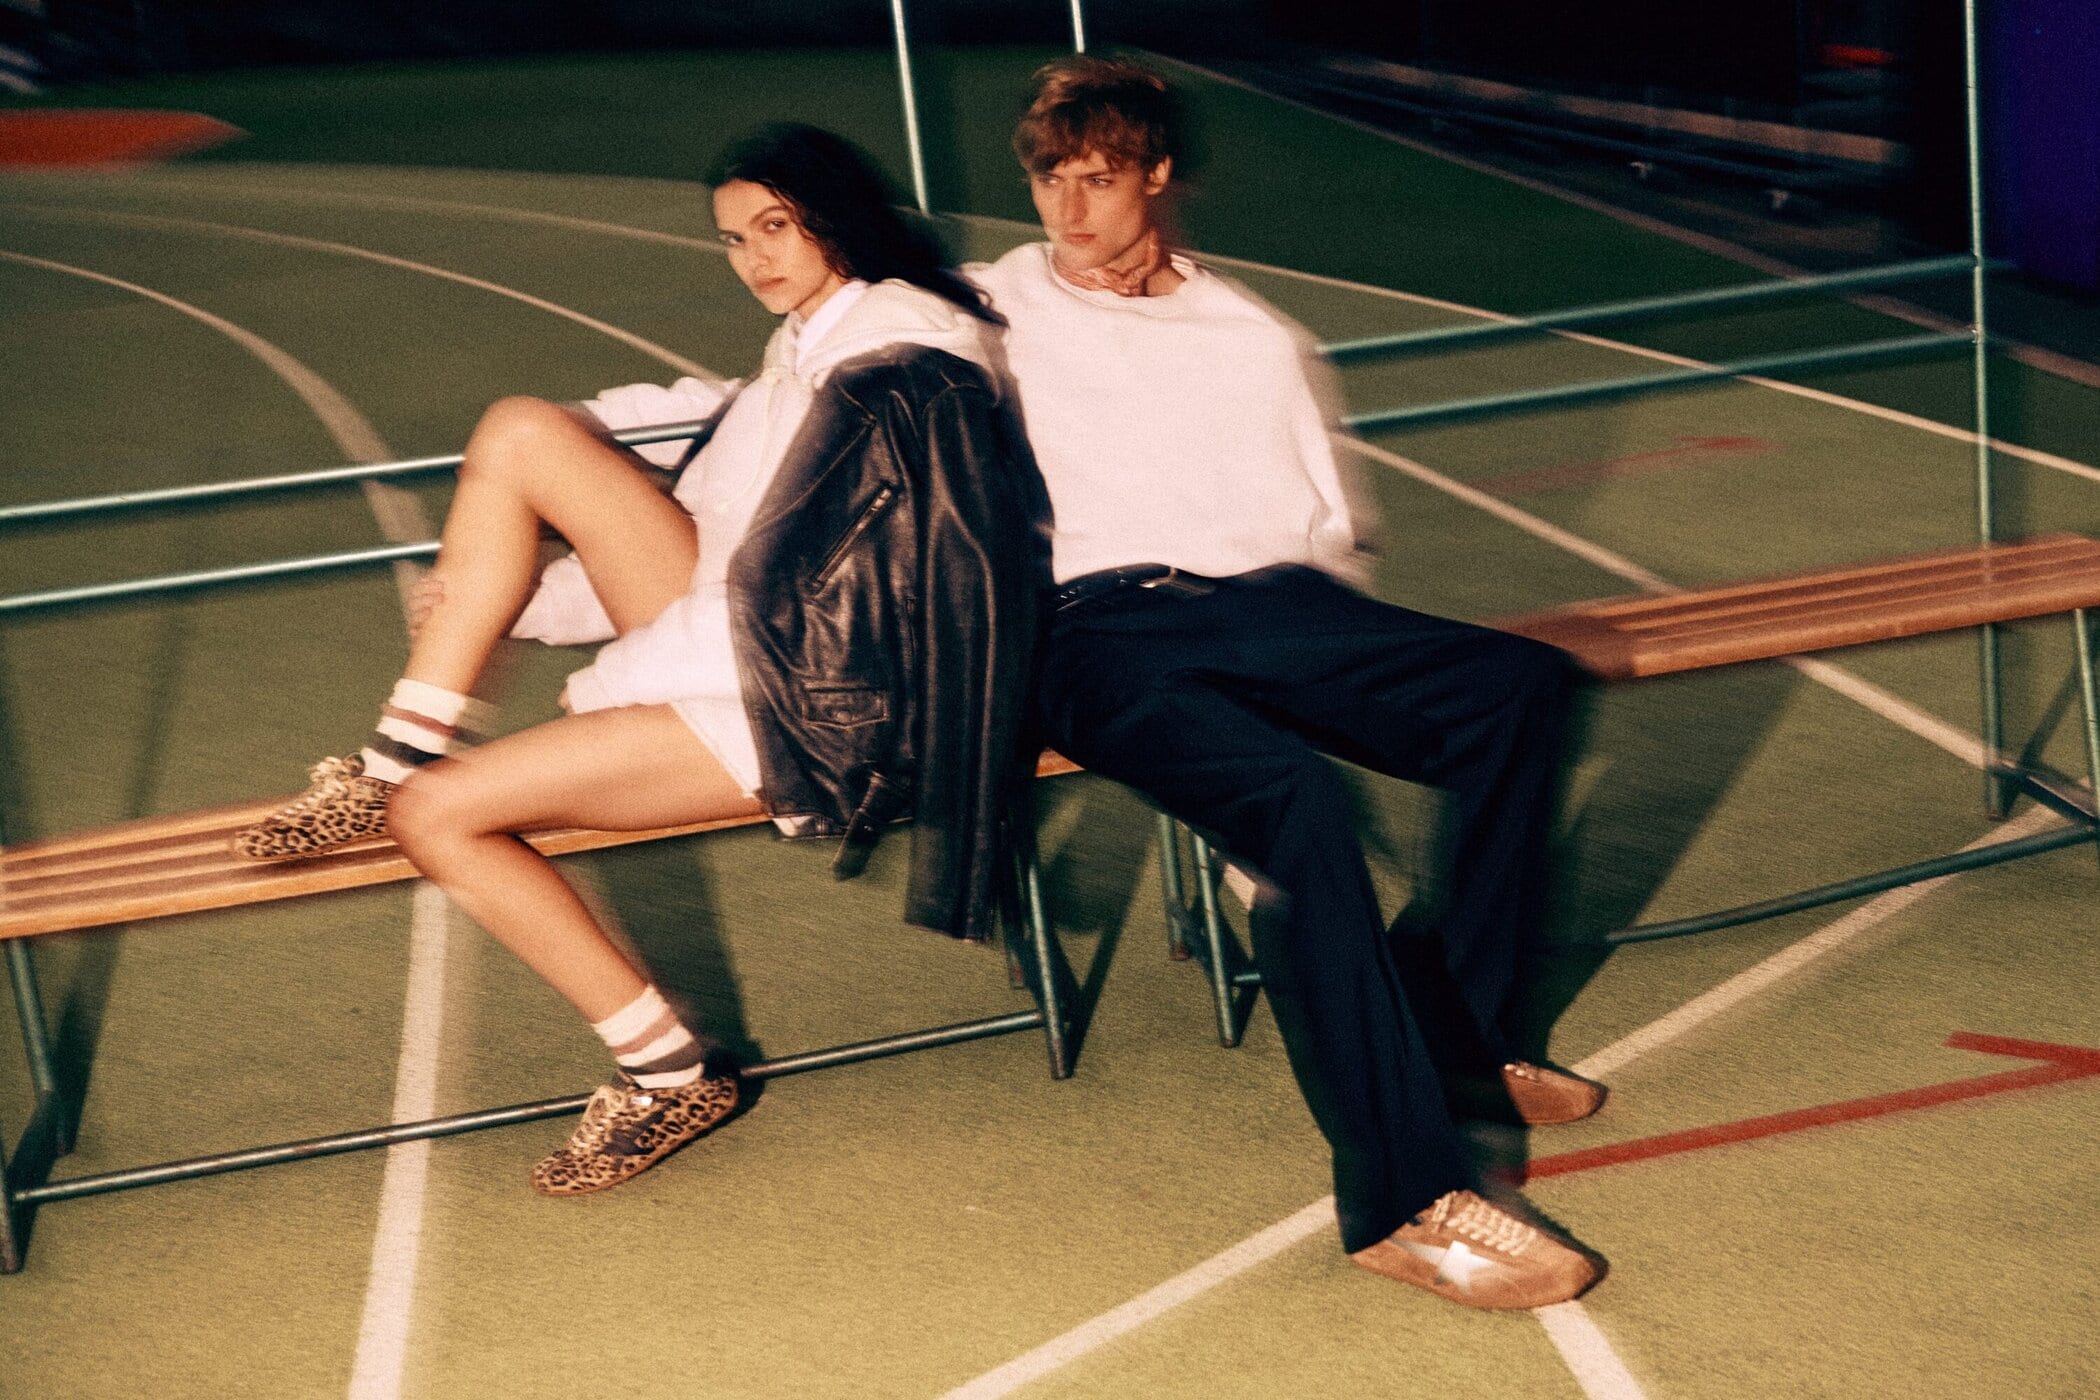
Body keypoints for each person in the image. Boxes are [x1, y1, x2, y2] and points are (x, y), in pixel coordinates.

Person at [230, 124, 1041, 1195]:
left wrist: (609, 680)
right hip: (750, 647)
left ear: (832, 217)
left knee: (439, 816)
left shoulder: (900, 364)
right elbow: (718, 497)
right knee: (522, 431)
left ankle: (668, 1074)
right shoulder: (813, 336)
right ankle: (392, 759)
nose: (753, 257)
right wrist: (524, 592)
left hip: (830, 700)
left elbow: (832, 600)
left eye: (775, 226)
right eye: (733, 238)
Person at [969, 57, 1604, 1311]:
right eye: (1049, 180)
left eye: (1097, 179)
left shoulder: (1254, 336)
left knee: (1519, 685)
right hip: (1090, 628)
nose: (1069, 209)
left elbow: (1328, 524)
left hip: (1271, 610)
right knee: (1294, 801)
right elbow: (798, 394)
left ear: (1158, 174)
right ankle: (1405, 1201)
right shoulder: (989, 306)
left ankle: (1455, 1032)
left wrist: (1332, 663)